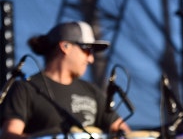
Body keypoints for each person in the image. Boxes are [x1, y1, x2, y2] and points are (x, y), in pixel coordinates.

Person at [0, 21, 131, 138]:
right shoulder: (25, 89)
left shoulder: (92, 91)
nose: (91, 59)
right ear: (65, 46)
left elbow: (122, 130)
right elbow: (10, 134)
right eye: (87, 50)